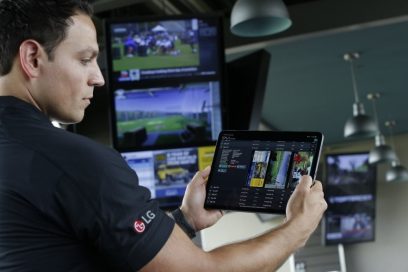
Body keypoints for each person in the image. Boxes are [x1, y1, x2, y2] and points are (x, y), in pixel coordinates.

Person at [0, 0, 327, 271]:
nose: (98, 78)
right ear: (32, 58)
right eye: (85, 59)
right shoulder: (76, 163)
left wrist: (184, 221)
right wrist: (298, 227)